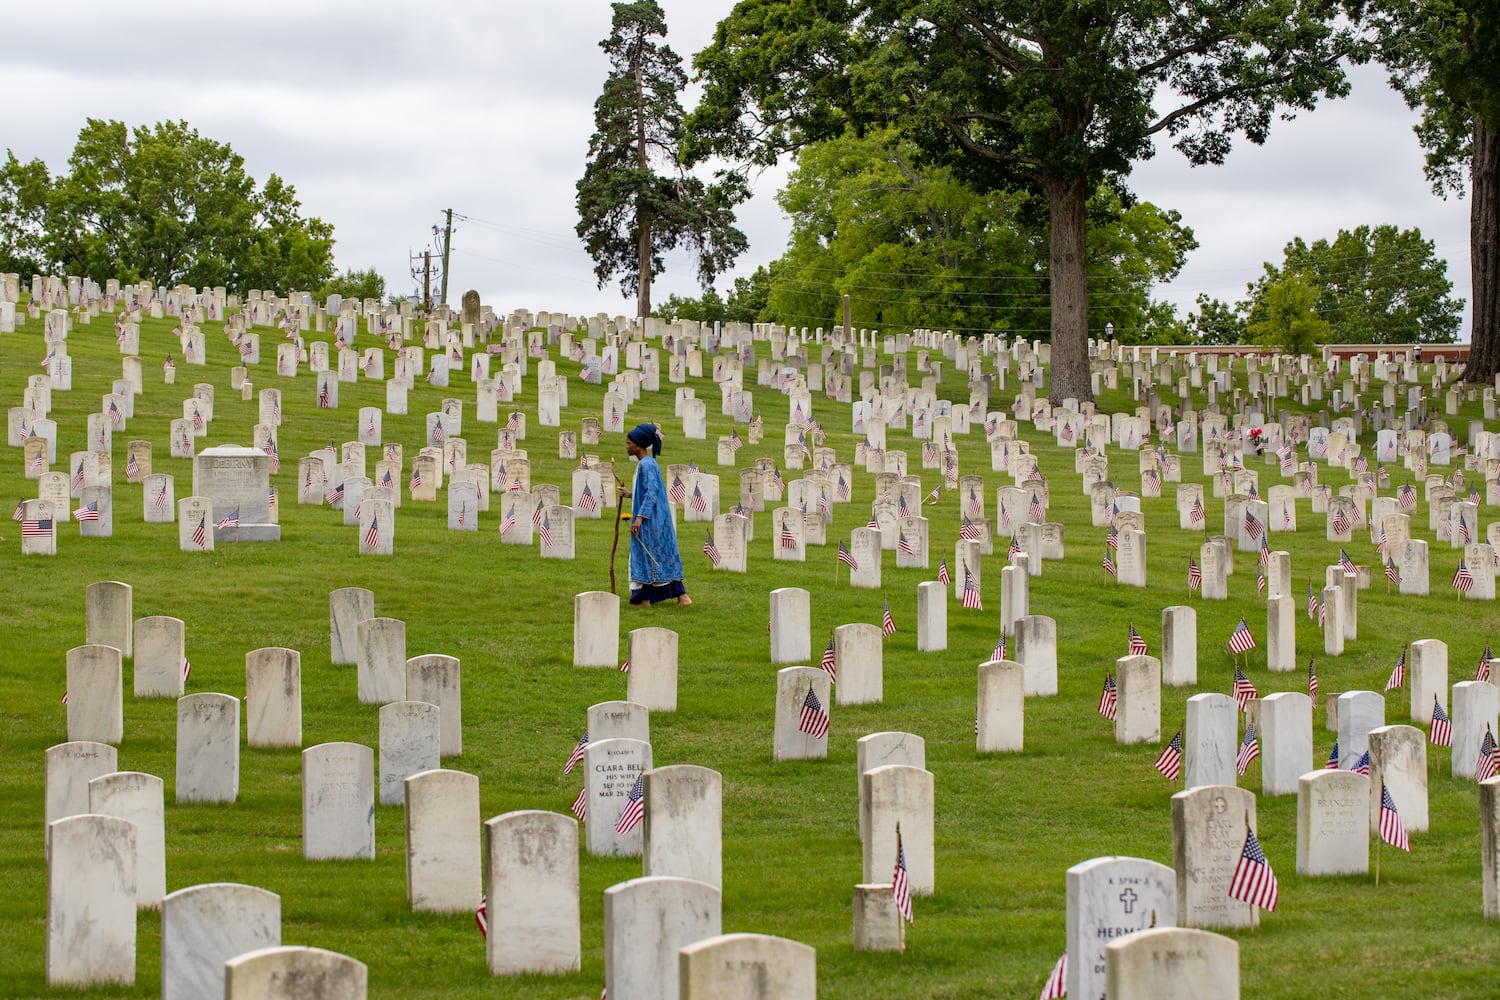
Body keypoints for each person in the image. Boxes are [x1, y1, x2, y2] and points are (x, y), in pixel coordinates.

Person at [620, 423, 691, 606]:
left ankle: (645, 599)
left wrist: (639, 518)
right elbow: (646, 492)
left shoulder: (648, 464)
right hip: (654, 519)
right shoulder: (646, 464)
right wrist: (629, 494)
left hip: (651, 521)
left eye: (629, 443)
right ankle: (678, 597)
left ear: (638, 444)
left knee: (647, 555)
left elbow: (652, 492)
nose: (626, 446)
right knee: (658, 555)